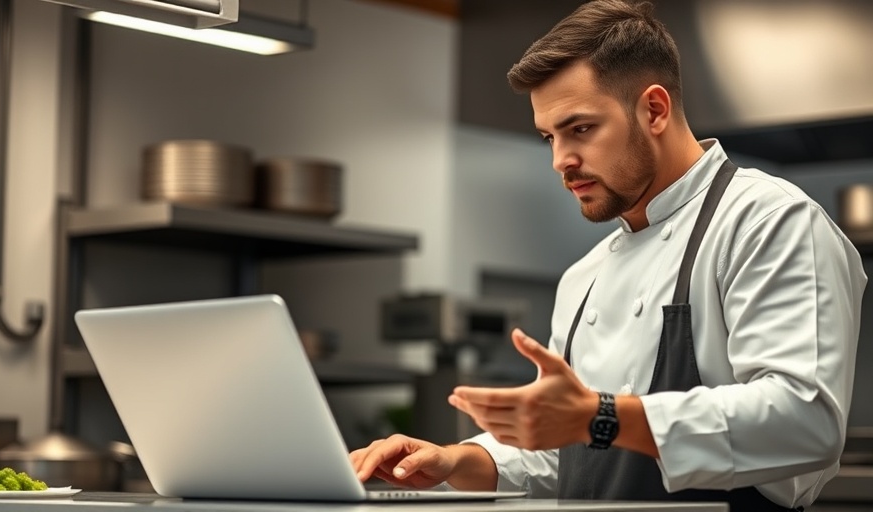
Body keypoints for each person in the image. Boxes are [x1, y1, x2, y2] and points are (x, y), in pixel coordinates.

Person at [349, 0, 867, 510]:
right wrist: (455, 461)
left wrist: (600, 416)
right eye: (549, 136)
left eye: (580, 129)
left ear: (655, 109)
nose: (560, 161)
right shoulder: (584, 277)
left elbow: (805, 422)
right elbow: (563, 458)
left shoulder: (768, 221)